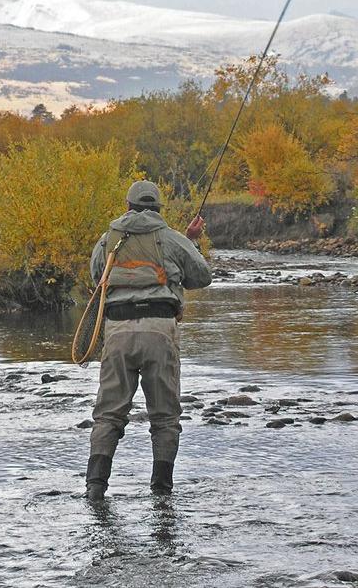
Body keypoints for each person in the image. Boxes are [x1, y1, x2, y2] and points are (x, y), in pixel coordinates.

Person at [85, 180, 212, 502]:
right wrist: (191, 242)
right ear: (157, 209)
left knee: (109, 415)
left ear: (127, 207)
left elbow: (95, 277)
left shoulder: (107, 239)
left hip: (117, 331)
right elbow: (202, 277)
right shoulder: (172, 238)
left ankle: (95, 489)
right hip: (160, 329)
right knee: (165, 416)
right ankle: (161, 492)